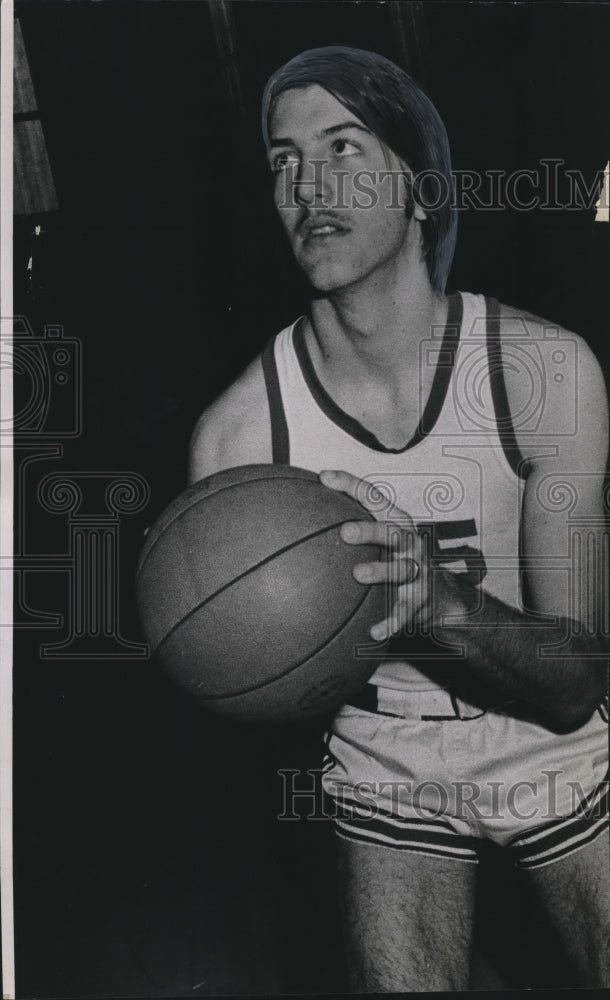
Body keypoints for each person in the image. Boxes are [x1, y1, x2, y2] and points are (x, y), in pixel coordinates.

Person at [188, 45, 609, 991]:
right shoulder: (239, 436)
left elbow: (578, 679)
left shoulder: (542, 374)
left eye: (343, 147)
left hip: (561, 741)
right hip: (385, 751)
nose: (308, 184)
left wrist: (437, 599)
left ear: (422, 187)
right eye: (284, 160)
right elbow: (252, 694)